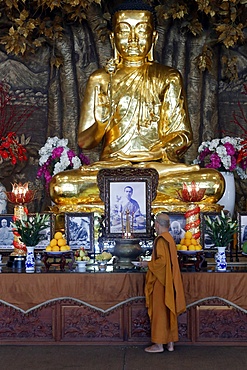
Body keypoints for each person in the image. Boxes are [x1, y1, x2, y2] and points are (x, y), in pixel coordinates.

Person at [49, 0, 224, 207]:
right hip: (111, 168)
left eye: (141, 31)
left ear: (154, 37)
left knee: (212, 182)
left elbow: (183, 135)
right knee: (62, 186)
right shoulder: (101, 79)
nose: (132, 39)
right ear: (113, 39)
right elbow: (85, 142)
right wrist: (101, 123)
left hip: (156, 167)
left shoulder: (168, 76)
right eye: (124, 31)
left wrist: (156, 152)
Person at [144, 212, 186, 353]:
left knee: (160, 312)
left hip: (161, 281)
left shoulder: (161, 240)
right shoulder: (170, 239)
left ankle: (158, 345)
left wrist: (147, 264)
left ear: (156, 224)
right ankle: (170, 344)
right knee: (169, 311)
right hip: (170, 280)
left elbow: (161, 262)